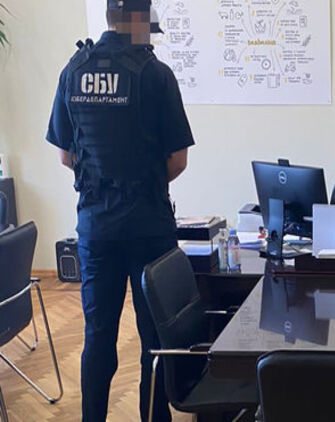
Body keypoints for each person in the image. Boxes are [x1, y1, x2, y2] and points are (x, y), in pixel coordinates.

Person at [45, 0, 194, 420]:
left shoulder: (74, 70)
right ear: (139, 20)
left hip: (96, 229)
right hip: (148, 228)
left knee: (98, 337)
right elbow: (177, 161)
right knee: (153, 341)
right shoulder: (156, 75)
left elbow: (65, 155)